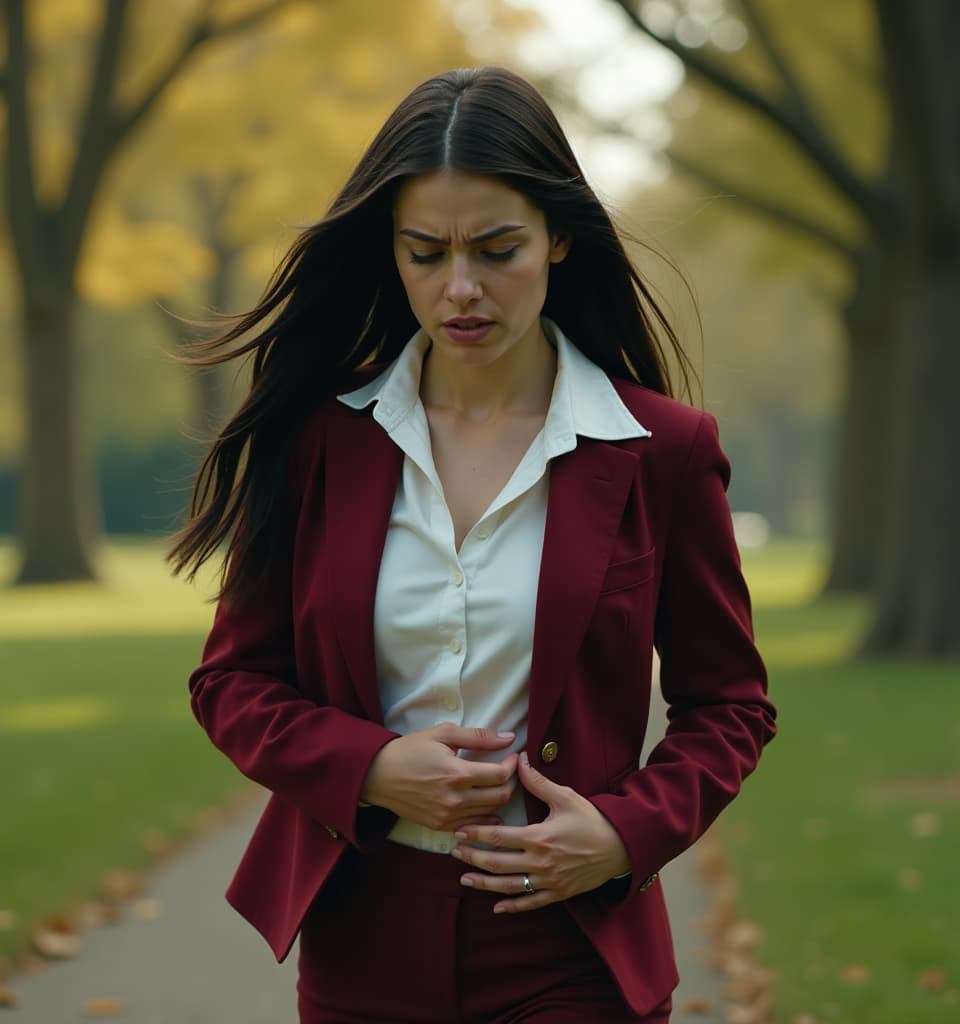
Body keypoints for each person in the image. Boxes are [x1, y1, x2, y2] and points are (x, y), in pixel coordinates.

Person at [169, 66, 776, 1024]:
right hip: (361, 934)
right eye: (425, 253)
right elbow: (232, 683)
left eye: (497, 250)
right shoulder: (319, 440)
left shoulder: (664, 451)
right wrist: (368, 766)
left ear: (559, 237)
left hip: (573, 943)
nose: (461, 289)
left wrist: (621, 835)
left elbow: (730, 705)